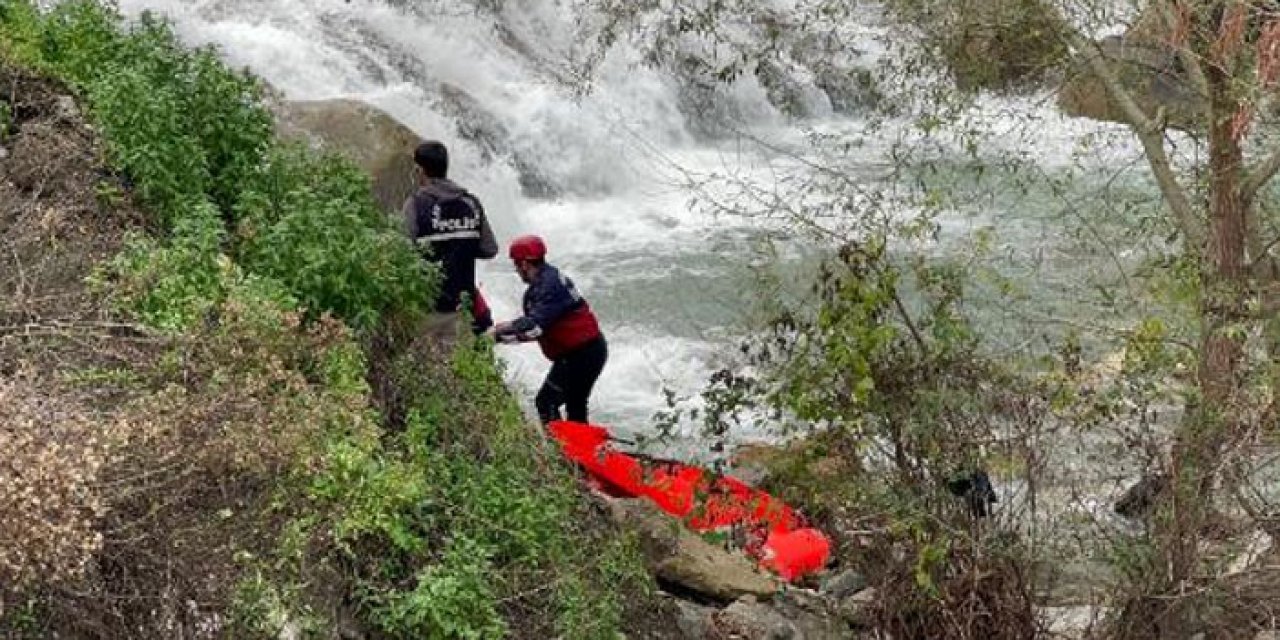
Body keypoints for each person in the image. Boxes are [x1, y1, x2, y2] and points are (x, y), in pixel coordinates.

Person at [489, 235, 608, 424]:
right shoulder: (548, 279)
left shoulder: (546, 287)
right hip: (588, 350)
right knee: (575, 403)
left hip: (581, 354)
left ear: (525, 264)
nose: (517, 271)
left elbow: (534, 327)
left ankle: (560, 449)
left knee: (546, 402)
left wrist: (496, 335)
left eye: (516, 265)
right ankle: (579, 448)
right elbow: (536, 328)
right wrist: (503, 334)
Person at [402, 140, 498, 339]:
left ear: (419, 170)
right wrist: (461, 244)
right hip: (462, 309)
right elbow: (490, 249)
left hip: (427, 309)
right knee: (460, 367)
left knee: (426, 367)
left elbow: (401, 253)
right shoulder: (471, 203)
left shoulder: (415, 205)